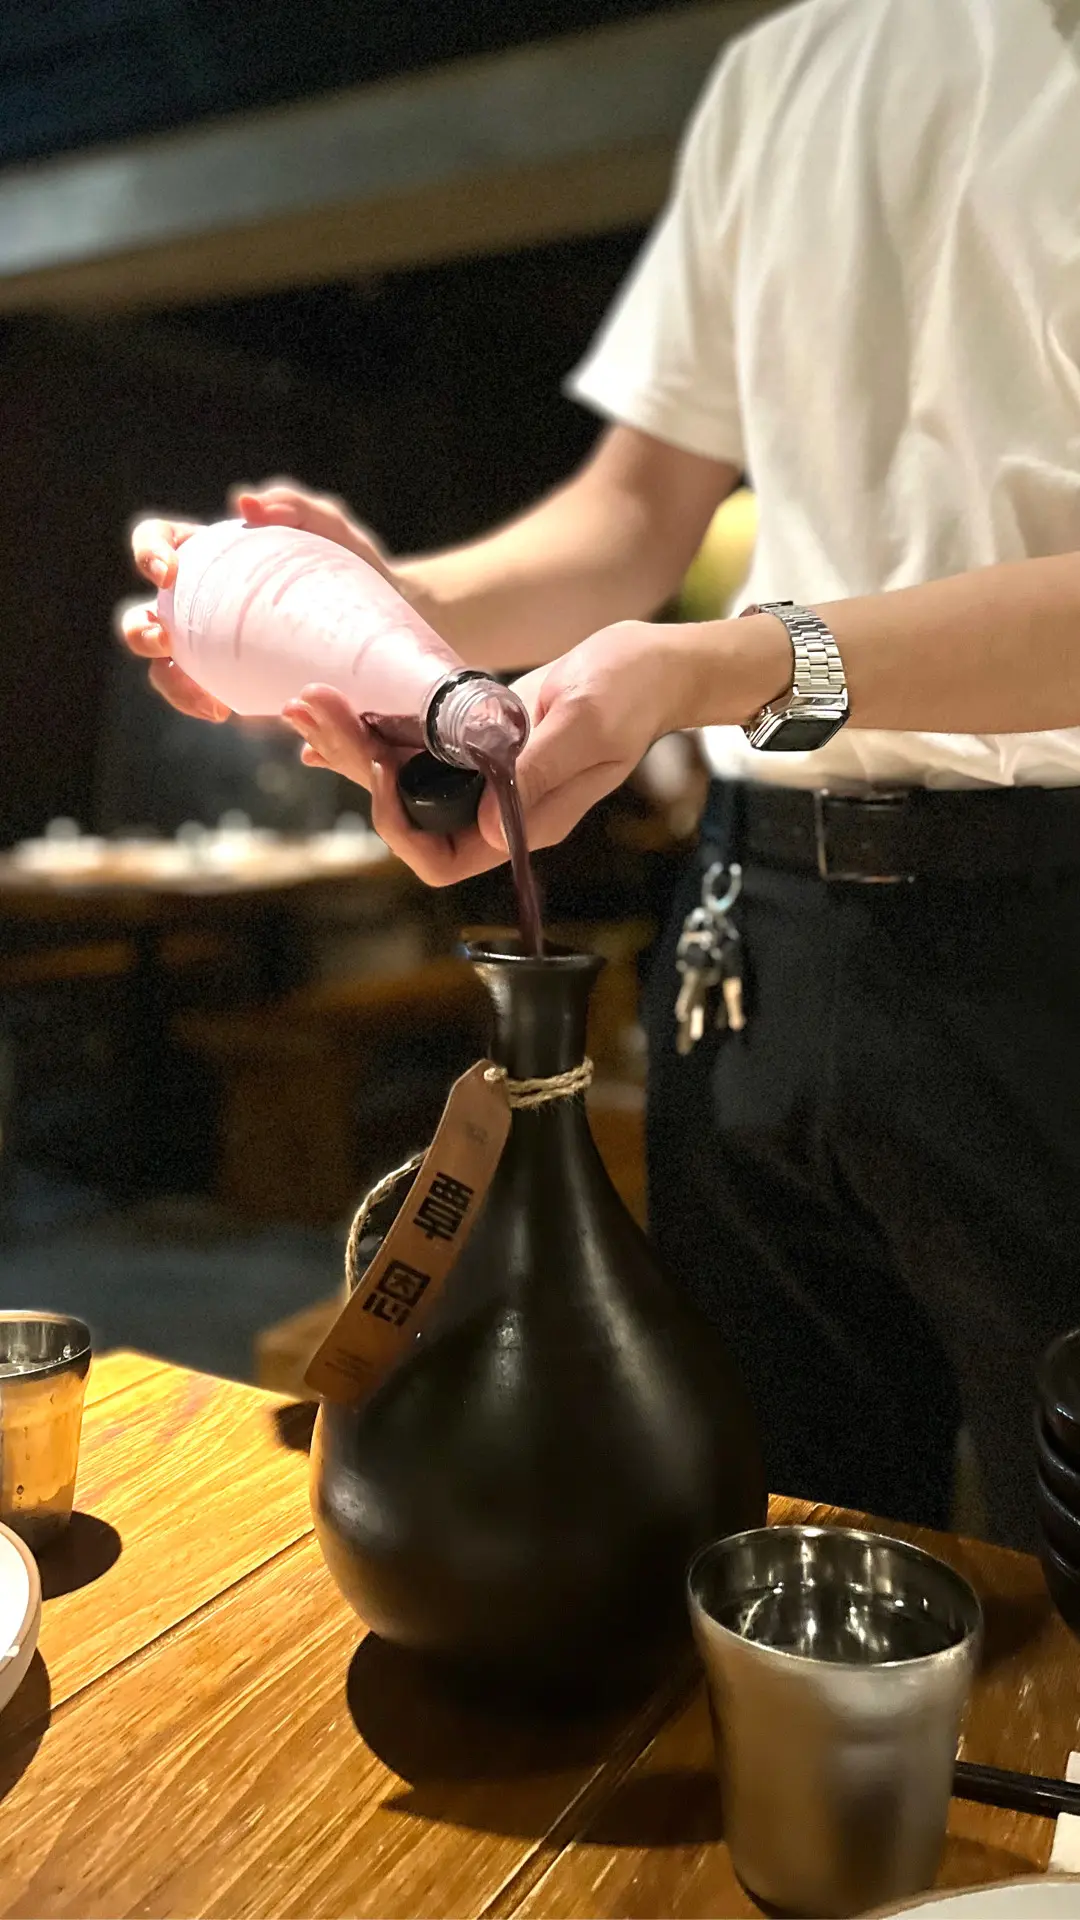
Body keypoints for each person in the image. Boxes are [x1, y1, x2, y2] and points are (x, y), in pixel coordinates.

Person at [124, 0, 1080, 1549]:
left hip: (1052, 922)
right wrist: (381, 612)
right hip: (758, 935)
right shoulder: (791, 69)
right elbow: (630, 517)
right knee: (768, 1527)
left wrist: (728, 663)